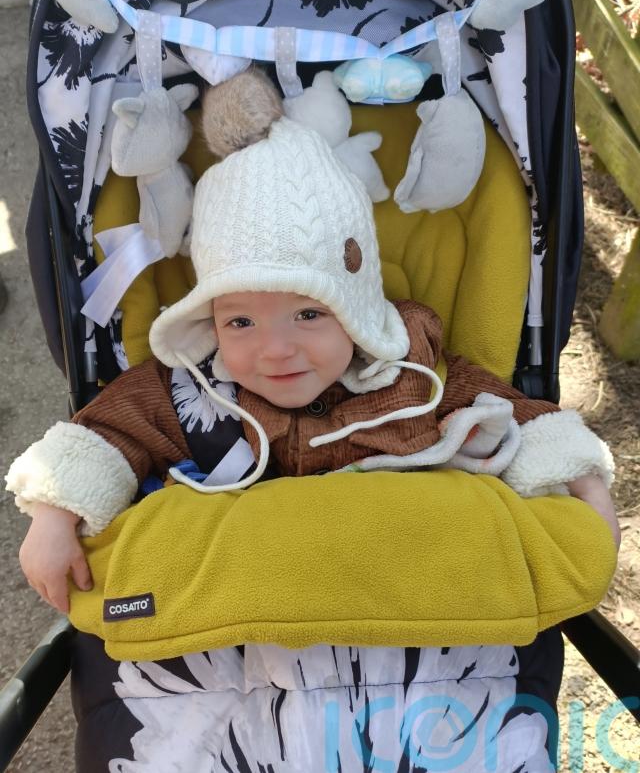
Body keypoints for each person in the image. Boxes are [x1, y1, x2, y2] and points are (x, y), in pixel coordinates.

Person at [8, 70, 618, 616]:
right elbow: (104, 433)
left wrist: (584, 482)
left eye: (308, 313)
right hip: (240, 613)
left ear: (354, 310)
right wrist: (57, 514)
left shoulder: (412, 370)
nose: (275, 350)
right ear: (210, 319)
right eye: (240, 322)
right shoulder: (190, 387)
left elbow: (519, 417)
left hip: (410, 597)